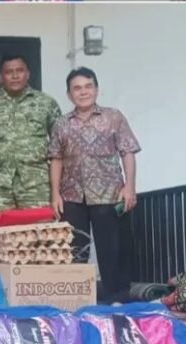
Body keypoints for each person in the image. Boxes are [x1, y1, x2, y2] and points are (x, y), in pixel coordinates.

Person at [49, 67, 141, 303]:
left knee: (113, 251)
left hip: (109, 194)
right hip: (72, 196)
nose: (83, 92)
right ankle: (75, 300)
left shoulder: (114, 117)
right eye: (77, 88)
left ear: (97, 89)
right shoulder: (61, 124)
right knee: (75, 250)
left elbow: (128, 152)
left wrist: (129, 187)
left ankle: (117, 298)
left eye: (88, 86)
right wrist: (55, 194)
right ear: (69, 95)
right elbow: (56, 158)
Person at [0, 55, 61, 219]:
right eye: (9, 72)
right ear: (0, 77)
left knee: (39, 237)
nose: (15, 76)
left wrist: (57, 190)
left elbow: (59, 147)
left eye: (20, 71)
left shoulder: (46, 103)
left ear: (28, 74)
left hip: (37, 185)